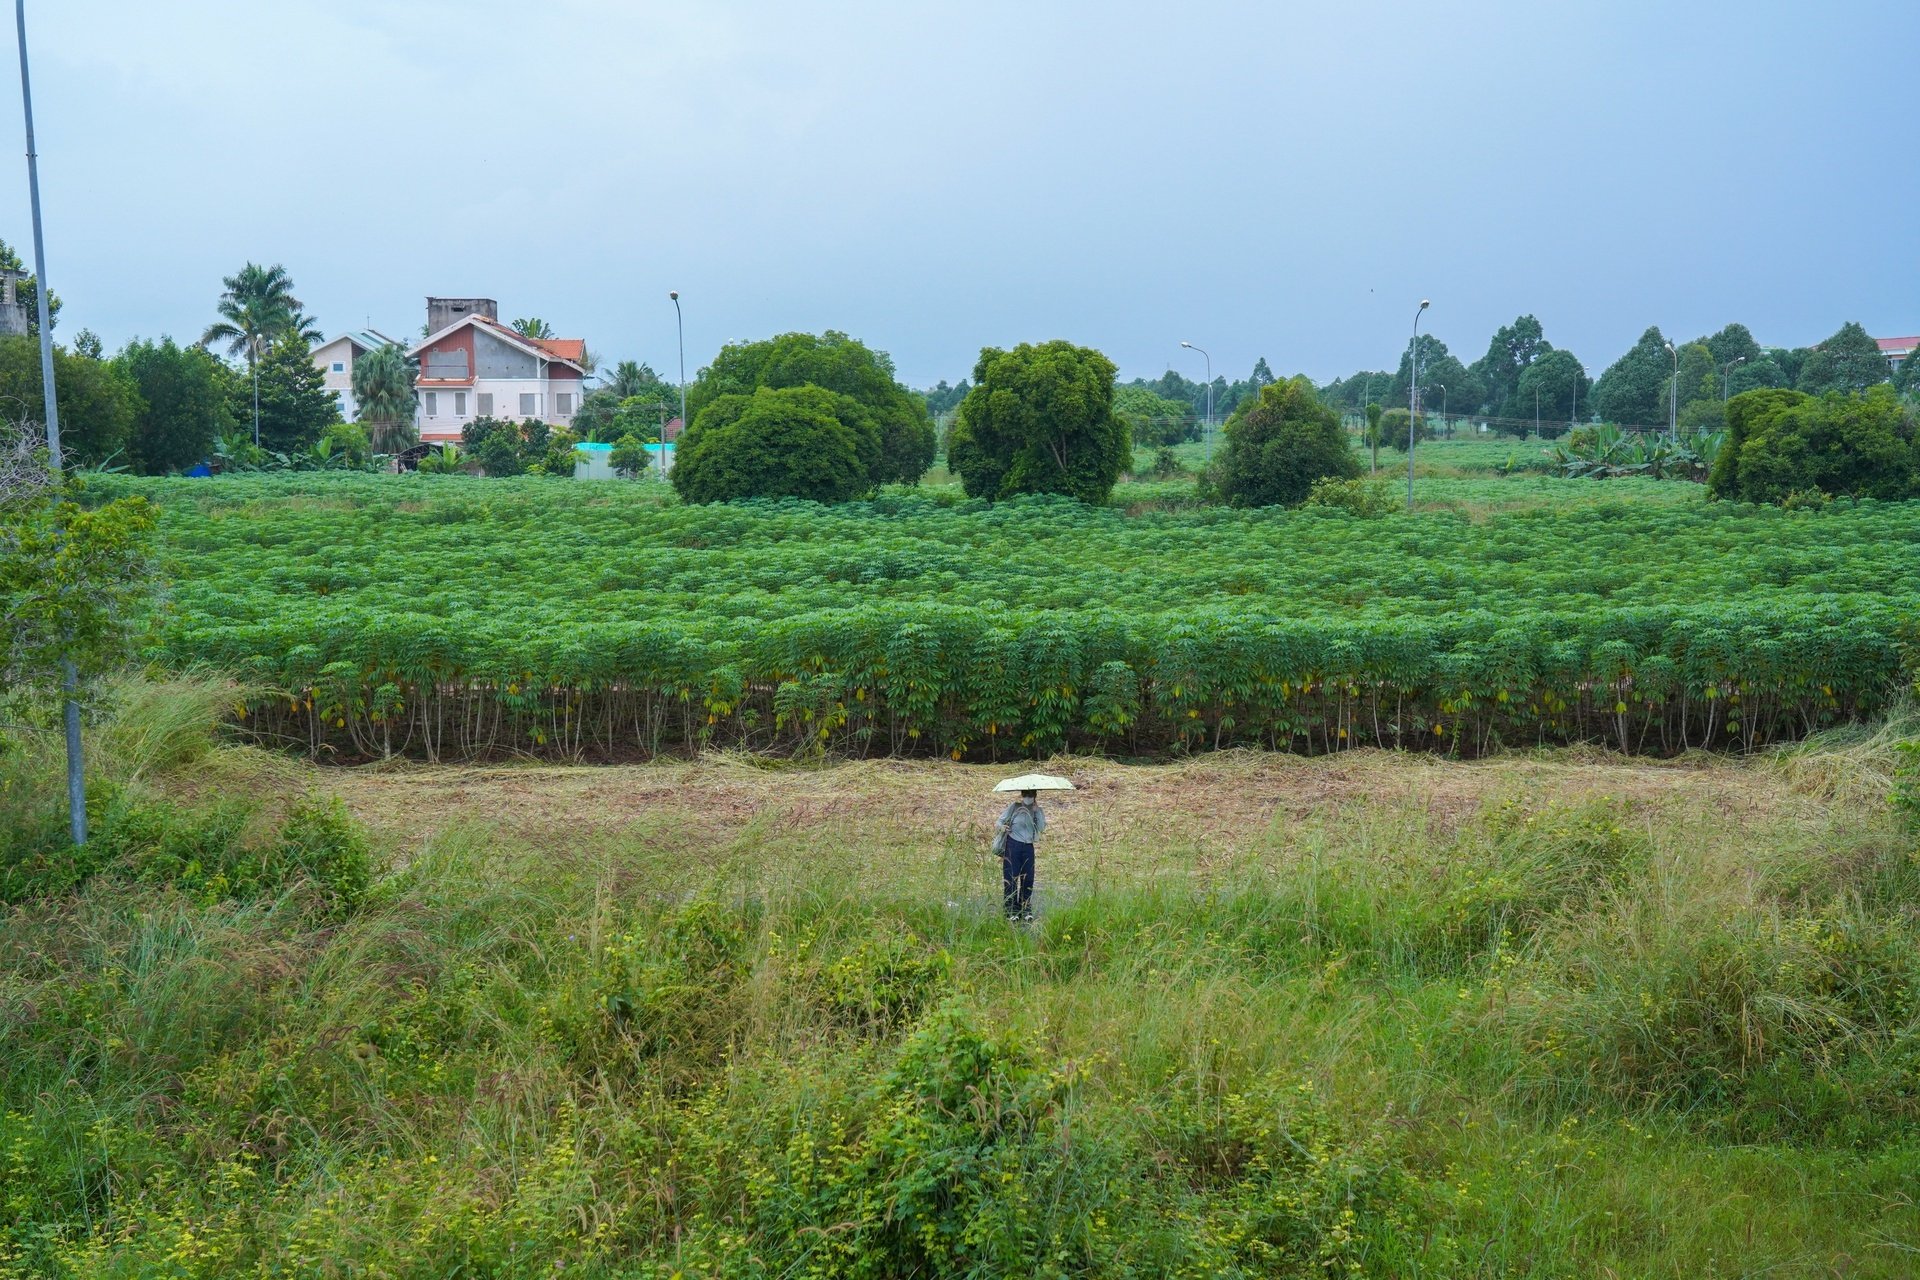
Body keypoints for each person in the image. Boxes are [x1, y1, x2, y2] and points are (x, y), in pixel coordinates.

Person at [995, 789, 1046, 921]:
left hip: (1028, 846)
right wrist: (1003, 828)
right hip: (1013, 844)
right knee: (1011, 877)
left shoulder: (1037, 811)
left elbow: (1040, 828)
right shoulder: (1014, 807)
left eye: (1030, 795)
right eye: (1025, 795)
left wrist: (1037, 812)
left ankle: (1025, 907)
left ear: (1035, 796)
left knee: (1028, 878)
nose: (1027, 797)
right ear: (1022, 795)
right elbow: (999, 822)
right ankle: (1010, 909)